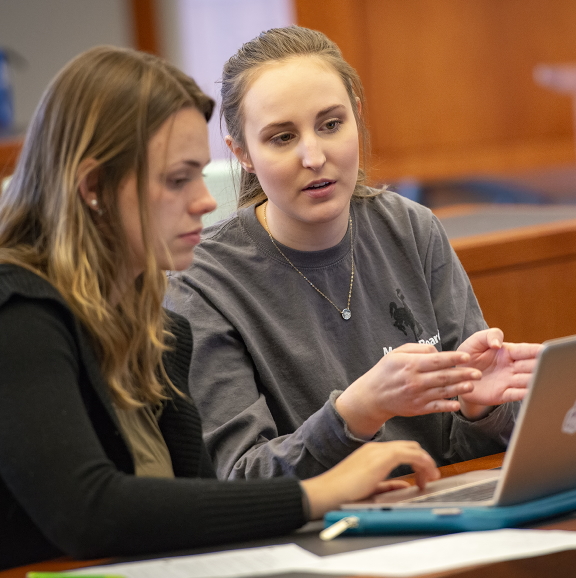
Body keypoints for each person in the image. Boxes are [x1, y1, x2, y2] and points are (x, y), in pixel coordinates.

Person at [0, 46, 442, 570]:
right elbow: (88, 511)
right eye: (177, 179)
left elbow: (201, 502)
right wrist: (320, 493)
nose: (206, 200)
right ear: (94, 187)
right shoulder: (18, 311)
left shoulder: (153, 324)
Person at [165, 26, 541, 481]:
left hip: (438, 517)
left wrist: (481, 409)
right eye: (282, 137)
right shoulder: (201, 283)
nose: (314, 156)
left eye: (331, 125)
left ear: (356, 117)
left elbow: (461, 458)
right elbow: (242, 477)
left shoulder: (412, 229)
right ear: (242, 152)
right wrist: (358, 410)